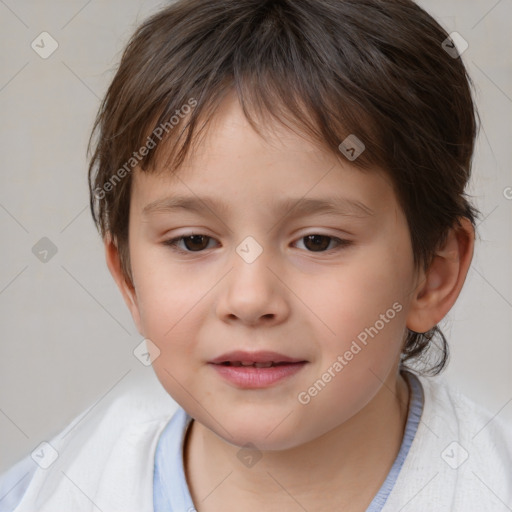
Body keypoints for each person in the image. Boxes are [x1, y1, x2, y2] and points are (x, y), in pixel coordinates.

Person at [1, 0, 511, 510]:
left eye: (317, 241)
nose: (249, 299)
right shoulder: (48, 493)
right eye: (194, 241)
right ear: (129, 278)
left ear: (433, 276)